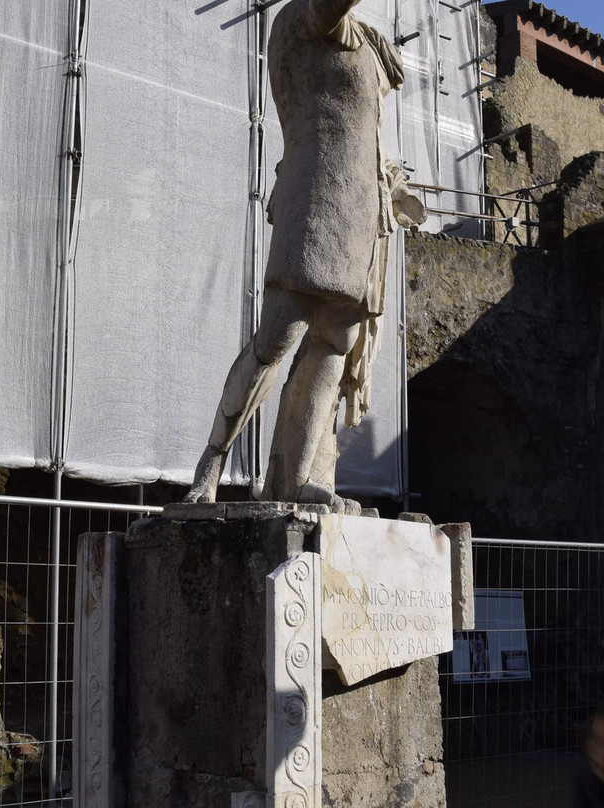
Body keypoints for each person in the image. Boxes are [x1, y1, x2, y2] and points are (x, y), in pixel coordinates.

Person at [184, 0, 425, 508]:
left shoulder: (370, 45)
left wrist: (393, 187)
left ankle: (295, 477)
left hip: (360, 218)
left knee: (333, 344)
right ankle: (212, 461)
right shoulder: (307, 20)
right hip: (312, 202)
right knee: (277, 337)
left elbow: (367, 136)